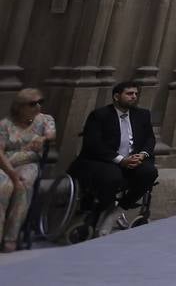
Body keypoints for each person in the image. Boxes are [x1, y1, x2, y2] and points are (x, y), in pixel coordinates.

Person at [71, 82, 158, 236]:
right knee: (112, 177)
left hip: (133, 159)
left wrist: (142, 155)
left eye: (136, 94)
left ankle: (119, 210)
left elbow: (149, 139)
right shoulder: (100, 115)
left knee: (149, 172)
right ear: (116, 96)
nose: (134, 97)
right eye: (129, 94)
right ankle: (98, 213)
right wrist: (120, 160)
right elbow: (94, 144)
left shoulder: (142, 115)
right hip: (104, 160)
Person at [1, 88, 56, 252]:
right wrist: (12, 175)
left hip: (29, 162)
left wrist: (44, 138)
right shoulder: (5, 125)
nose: (38, 106)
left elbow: (51, 135)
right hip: (6, 163)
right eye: (32, 104)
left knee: (23, 186)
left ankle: (11, 237)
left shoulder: (45, 120)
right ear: (19, 106)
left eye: (41, 102)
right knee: (3, 188)